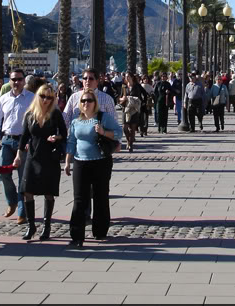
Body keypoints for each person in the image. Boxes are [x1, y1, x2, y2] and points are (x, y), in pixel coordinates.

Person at [64, 90, 123, 247]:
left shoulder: (103, 117)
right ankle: (77, 235)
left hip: (101, 162)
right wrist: (67, 161)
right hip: (80, 162)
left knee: (100, 196)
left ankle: (100, 230)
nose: (86, 103)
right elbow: (71, 141)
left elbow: (118, 132)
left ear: (94, 102)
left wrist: (104, 132)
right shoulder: (76, 121)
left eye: (89, 100)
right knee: (79, 199)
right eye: (83, 101)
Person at [17, 84, 67, 241]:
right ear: (37, 96)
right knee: (27, 191)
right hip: (33, 156)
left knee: (49, 192)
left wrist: (56, 138)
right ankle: (31, 226)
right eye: (43, 96)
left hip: (49, 157)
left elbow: (64, 134)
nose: (46, 100)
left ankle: (46, 226)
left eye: (49, 97)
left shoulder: (55, 114)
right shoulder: (30, 114)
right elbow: (24, 137)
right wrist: (18, 155)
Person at [0, 68, 35, 225]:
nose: (16, 82)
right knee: (3, 174)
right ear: (9, 81)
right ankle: (12, 201)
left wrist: (32, 140)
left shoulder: (31, 98)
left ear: (24, 81)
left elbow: (37, 120)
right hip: (7, 141)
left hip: (24, 143)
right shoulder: (3, 98)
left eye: (19, 79)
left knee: (23, 179)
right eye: (13, 79)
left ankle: (22, 212)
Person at [119, 72, 147, 151]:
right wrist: (123, 99)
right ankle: (128, 140)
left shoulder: (137, 86)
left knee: (132, 128)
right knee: (125, 128)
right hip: (126, 108)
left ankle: (131, 144)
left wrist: (142, 102)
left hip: (134, 109)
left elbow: (144, 94)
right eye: (126, 77)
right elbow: (120, 97)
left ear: (132, 77)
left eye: (128, 76)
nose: (127, 78)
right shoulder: (124, 87)